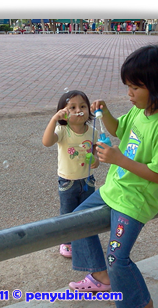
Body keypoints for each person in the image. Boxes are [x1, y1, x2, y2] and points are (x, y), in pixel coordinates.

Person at [67, 45, 158, 308]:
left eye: (134, 88)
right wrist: (104, 112)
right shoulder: (141, 112)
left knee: (117, 257)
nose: (128, 94)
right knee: (76, 220)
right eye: (127, 87)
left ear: (156, 86)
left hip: (135, 201)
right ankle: (100, 278)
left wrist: (120, 160)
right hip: (116, 190)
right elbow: (118, 129)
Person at [42, 90, 100, 258]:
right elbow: (46, 142)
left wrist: (96, 160)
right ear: (64, 113)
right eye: (72, 107)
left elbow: (95, 151)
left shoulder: (92, 131)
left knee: (86, 212)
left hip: (87, 180)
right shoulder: (62, 130)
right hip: (68, 182)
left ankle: (83, 238)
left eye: (82, 106)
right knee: (67, 213)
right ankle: (67, 242)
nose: (78, 110)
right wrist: (54, 119)